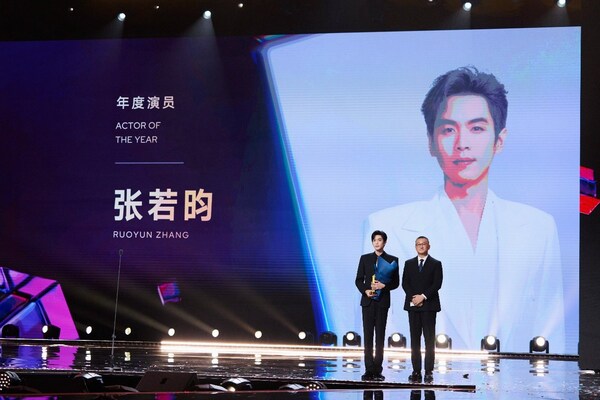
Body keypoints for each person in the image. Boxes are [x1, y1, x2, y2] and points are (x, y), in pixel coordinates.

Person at [364, 66, 565, 353]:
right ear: (431, 142)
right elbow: (374, 334)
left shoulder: (538, 229)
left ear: (499, 140)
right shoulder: (387, 227)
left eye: (477, 128)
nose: (462, 144)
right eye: (448, 130)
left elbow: (552, 340)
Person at [355, 230, 399, 381]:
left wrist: (383, 286)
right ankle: (368, 369)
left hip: (382, 302)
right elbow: (358, 280)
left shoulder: (392, 260)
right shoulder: (365, 258)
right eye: (374, 240)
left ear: (384, 242)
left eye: (379, 240)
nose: (377, 242)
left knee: (380, 336)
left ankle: (377, 370)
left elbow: (396, 283)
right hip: (368, 302)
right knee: (368, 336)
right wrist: (365, 290)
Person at [402, 236, 443, 383]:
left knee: (429, 340)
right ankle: (416, 370)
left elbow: (437, 284)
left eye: (423, 244)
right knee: (414, 339)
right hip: (413, 306)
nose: (421, 246)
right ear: (415, 247)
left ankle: (429, 371)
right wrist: (414, 298)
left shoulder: (436, 264)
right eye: (418, 244)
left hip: (429, 306)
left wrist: (423, 297)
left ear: (428, 246)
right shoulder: (409, 263)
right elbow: (405, 283)